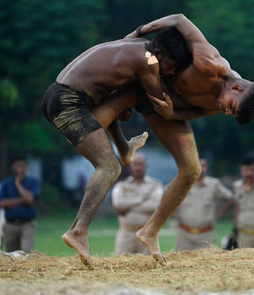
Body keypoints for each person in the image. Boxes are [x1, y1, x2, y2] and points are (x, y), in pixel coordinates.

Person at [84, 14, 254, 266]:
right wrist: (139, 31)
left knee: (192, 169)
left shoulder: (220, 102)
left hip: (162, 107)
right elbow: (180, 20)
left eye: (231, 114)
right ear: (236, 88)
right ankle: (80, 226)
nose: (226, 112)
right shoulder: (210, 62)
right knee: (87, 128)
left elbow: (194, 113)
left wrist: (171, 113)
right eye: (231, 108)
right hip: (139, 83)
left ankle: (149, 231)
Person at [42, 26, 193, 269]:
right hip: (68, 102)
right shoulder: (149, 61)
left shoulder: (134, 44)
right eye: (171, 66)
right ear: (158, 53)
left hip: (61, 94)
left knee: (116, 100)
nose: (171, 72)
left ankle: (124, 148)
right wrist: (184, 110)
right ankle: (77, 230)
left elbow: (129, 50)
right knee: (109, 167)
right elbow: (159, 101)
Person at [174, 158, 232, 251]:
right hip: (184, 235)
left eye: (203, 166)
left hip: (206, 235)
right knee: (182, 263)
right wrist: (174, 214)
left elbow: (229, 198)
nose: (200, 168)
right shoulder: (182, 183)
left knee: (206, 263)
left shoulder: (214, 184)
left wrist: (217, 216)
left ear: (207, 168)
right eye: (197, 165)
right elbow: (166, 196)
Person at [112, 152, 163, 255]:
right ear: (131, 166)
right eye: (135, 164)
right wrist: (141, 200)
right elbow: (118, 204)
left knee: (149, 266)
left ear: (146, 166)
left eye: (141, 164)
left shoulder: (156, 185)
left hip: (147, 235)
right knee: (121, 266)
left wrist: (129, 206)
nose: (138, 168)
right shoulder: (121, 185)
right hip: (126, 235)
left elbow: (156, 205)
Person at [0, 156, 40, 253]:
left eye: (22, 166)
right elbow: (2, 203)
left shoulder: (33, 182)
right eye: (17, 166)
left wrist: (18, 184)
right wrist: (22, 199)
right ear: (12, 167)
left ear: (26, 167)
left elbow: (30, 200)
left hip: (27, 224)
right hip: (10, 225)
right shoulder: (6, 184)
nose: (20, 169)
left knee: (26, 252)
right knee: (11, 253)